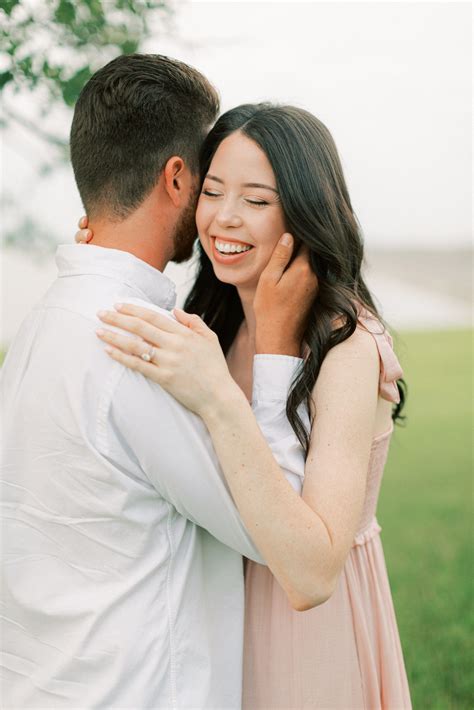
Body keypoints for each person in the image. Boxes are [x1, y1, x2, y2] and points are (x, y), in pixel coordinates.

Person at [0, 56, 318, 709]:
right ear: (178, 177)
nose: (218, 207)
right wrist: (280, 348)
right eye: (210, 180)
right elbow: (280, 536)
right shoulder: (138, 345)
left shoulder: (42, 324)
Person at [80, 103, 412, 708]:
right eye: (212, 191)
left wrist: (242, 378)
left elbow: (311, 574)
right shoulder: (213, 319)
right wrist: (102, 266)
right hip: (209, 615)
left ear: (305, 211)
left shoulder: (346, 345)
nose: (224, 218)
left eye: (257, 201)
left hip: (307, 636)